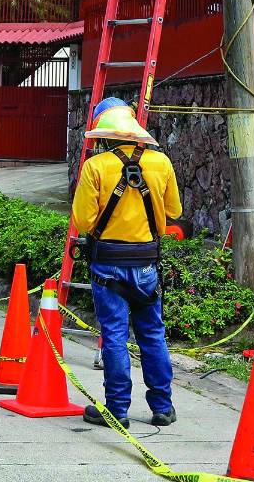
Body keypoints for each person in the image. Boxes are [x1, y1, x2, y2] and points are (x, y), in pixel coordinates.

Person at [72, 97, 182, 429]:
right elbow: (174, 211)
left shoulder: (95, 166)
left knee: (115, 336)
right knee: (152, 334)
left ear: (103, 133)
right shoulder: (160, 163)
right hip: (147, 265)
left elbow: (81, 220)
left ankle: (117, 410)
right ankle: (162, 407)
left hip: (107, 266)